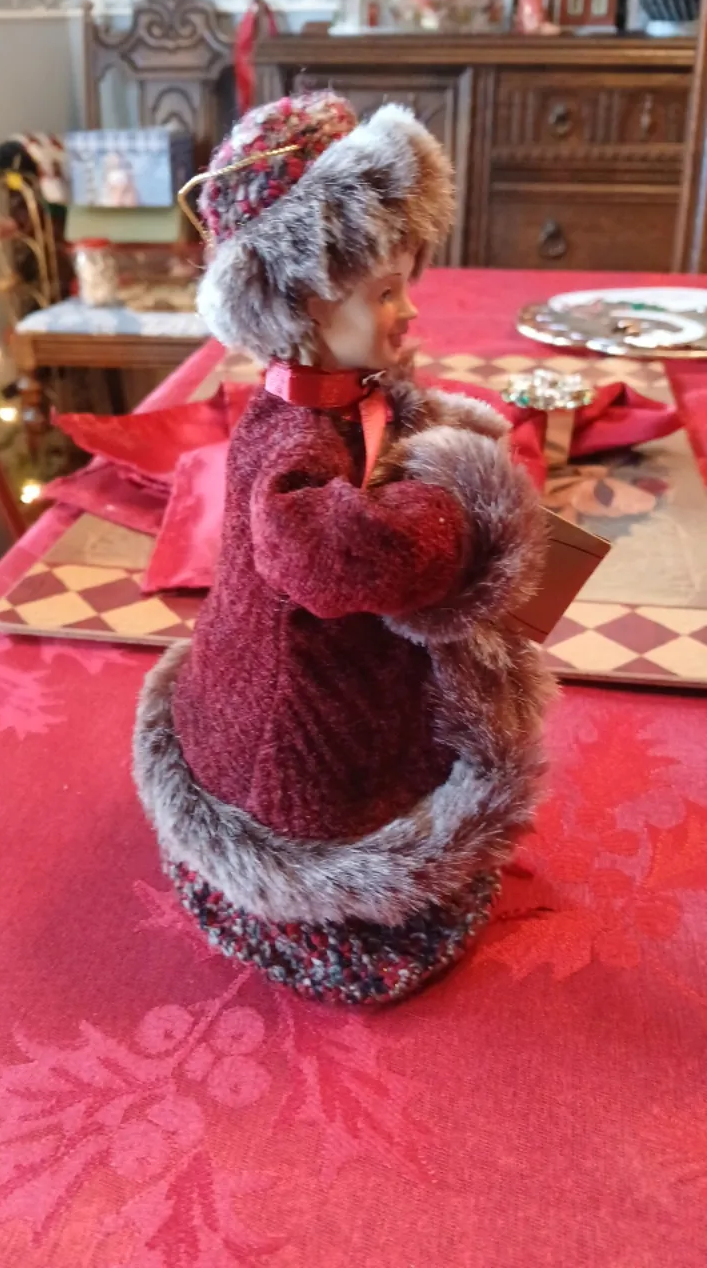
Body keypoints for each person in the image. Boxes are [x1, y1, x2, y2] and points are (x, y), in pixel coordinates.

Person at [133, 91, 553, 1004]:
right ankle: (323, 900)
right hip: (301, 725)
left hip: (350, 681)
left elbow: (386, 434)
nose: (409, 310)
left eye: (406, 283)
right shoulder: (291, 436)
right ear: (301, 302)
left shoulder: (350, 393)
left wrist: (440, 438)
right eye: (385, 292)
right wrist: (457, 510)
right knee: (329, 793)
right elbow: (321, 554)